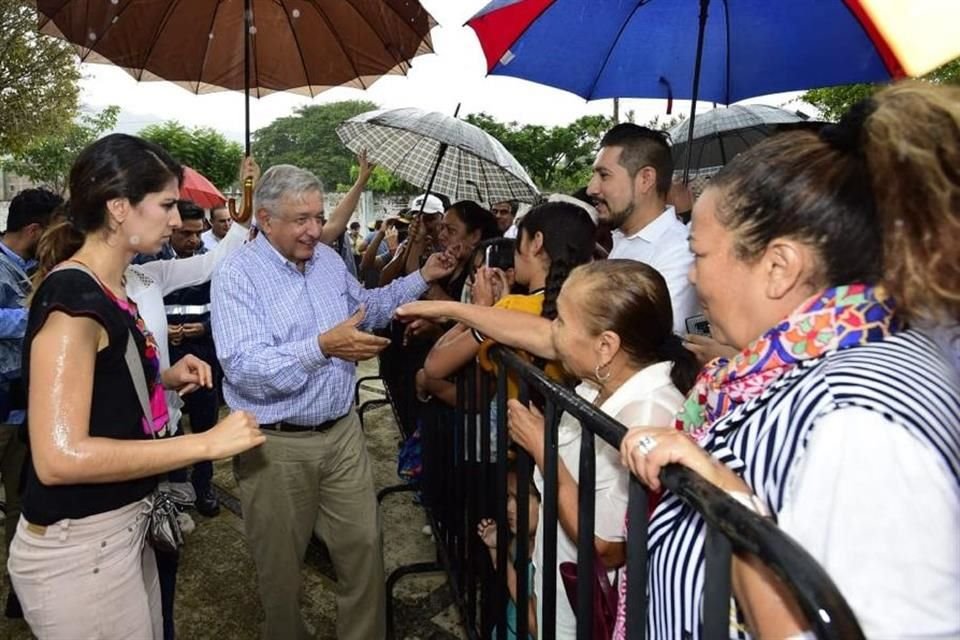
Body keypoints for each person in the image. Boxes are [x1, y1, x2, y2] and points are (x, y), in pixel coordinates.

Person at [618, 81, 960, 639]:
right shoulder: (835, 364)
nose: (693, 276)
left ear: (779, 267)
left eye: (700, 255)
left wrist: (729, 503)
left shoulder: (857, 420)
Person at [7, 133, 264, 639]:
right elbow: (59, 458)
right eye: (166, 204)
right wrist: (204, 443)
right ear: (119, 207)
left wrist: (164, 376)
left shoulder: (113, 287)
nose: (175, 219)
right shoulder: (72, 299)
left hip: (119, 529)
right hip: (82, 551)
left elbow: (99, 384)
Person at [210, 163, 456, 640]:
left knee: (364, 545)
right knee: (279, 565)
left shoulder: (325, 260)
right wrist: (322, 346)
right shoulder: (237, 275)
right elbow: (244, 369)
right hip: (275, 445)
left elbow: (367, 310)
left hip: (342, 433)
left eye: (317, 217)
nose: (313, 229)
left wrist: (423, 275)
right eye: (300, 219)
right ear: (264, 218)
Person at [397, 260, 699, 637]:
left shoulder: (648, 415)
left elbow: (606, 546)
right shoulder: (606, 376)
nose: (551, 332)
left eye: (562, 322)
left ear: (606, 345)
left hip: (589, 610)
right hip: (560, 584)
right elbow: (532, 334)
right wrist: (450, 308)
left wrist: (543, 450)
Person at [416, 201, 595, 407]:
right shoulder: (587, 309)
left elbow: (434, 365)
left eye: (520, 237)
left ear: (536, 243)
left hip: (516, 430)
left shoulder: (512, 308)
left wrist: (480, 311)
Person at [0, 187, 61, 618]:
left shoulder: (27, 267)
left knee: (23, 501)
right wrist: (41, 311)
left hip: (20, 406)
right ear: (35, 229)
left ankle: (18, 590)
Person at [587, 124, 701, 336]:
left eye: (604, 176)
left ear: (645, 179)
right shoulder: (622, 239)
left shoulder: (680, 252)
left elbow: (646, 342)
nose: (591, 188)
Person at [477, 464, 541, 640]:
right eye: (508, 497)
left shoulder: (551, 557)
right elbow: (506, 573)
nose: (509, 507)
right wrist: (496, 549)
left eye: (519, 498)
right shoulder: (522, 540)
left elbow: (537, 629)